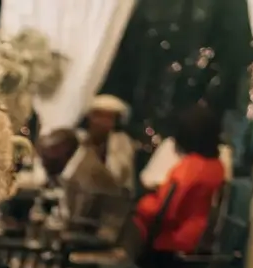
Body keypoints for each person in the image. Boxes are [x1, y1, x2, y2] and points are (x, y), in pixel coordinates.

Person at [132, 102, 227, 259]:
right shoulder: (217, 167)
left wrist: (141, 206)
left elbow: (164, 212)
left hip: (170, 244)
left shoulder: (188, 168)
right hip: (199, 241)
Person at [79, 94, 136, 195]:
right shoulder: (79, 138)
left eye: (109, 118)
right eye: (99, 116)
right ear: (90, 117)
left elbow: (117, 176)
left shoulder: (122, 143)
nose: (103, 122)